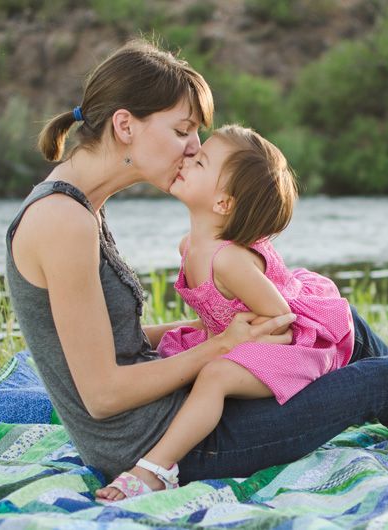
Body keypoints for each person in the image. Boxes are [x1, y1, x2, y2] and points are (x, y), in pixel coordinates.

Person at [5, 39, 388, 503]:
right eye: (182, 131)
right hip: (165, 444)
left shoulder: (80, 208)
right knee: (384, 382)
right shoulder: (64, 222)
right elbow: (103, 394)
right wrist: (219, 345)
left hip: (172, 416)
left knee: (334, 318)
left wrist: (215, 334)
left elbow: (111, 343)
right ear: (126, 126)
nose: (191, 147)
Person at [97, 124, 357, 499]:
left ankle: (155, 469)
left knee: (215, 375)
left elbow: (281, 319)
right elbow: (209, 319)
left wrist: (235, 349)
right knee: (175, 349)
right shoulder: (190, 246)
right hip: (238, 337)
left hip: (297, 345)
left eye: (200, 162)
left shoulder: (229, 261)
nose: (188, 158)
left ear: (223, 203)